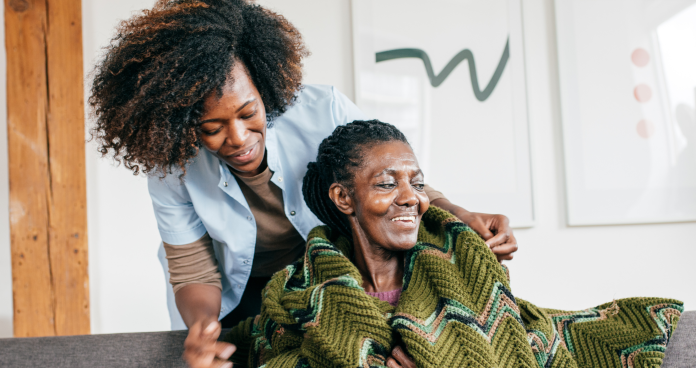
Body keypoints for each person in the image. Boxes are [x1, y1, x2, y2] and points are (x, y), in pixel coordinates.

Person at [88, 1, 516, 367]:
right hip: (246, 293)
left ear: (263, 84)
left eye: (247, 113)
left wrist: (458, 214)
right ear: (182, 125)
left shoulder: (322, 110)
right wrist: (203, 329)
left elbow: (390, 176)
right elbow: (192, 266)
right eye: (211, 127)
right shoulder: (172, 163)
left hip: (329, 274)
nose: (236, 138)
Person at [222, 120, 683, 368]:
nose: (410, 197)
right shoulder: (301, 290)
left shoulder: (463, 269)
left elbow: (510, 346)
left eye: (416, 183)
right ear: (344, 198)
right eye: (386, 183)